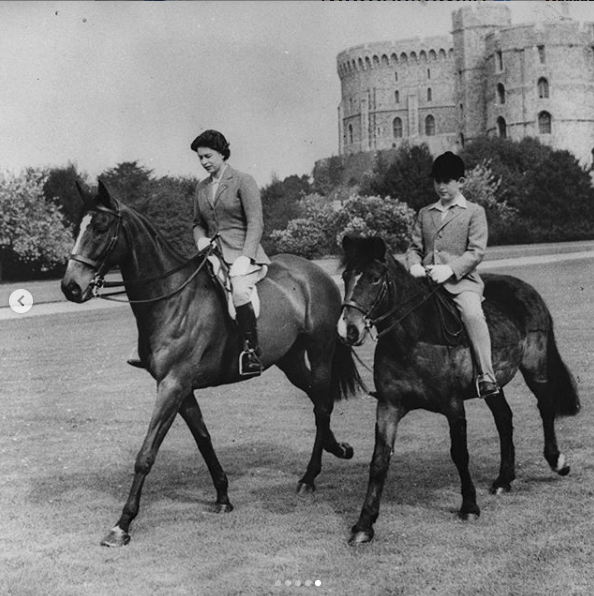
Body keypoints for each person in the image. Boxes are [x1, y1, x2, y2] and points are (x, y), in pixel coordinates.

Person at [405, 151, 500, 399]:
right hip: (425, 283)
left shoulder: (474, 212)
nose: (442, 186)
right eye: (437, 181)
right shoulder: (425, 213)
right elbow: (414, 248)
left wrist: (450, 269)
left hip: (461, 282)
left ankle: (486, 376)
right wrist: (414, 264)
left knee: (472, 314)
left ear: (461, 182)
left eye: (447, 181)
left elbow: (476, 252)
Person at [190, 129, 270, 377]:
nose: (204, 162)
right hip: (213, 254)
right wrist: (201, 239)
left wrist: (246, 257)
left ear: (222, 153)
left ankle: (252, 352)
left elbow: (256, 222)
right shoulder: (201, 188)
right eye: (200, 158)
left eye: (208, 156)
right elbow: (197, 223)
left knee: (239, 290)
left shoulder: (243, 181)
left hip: (244, 254)